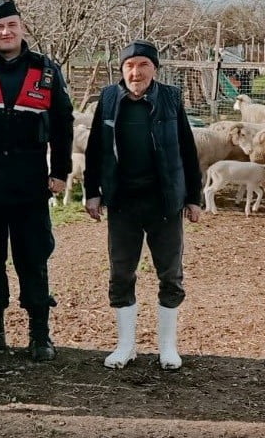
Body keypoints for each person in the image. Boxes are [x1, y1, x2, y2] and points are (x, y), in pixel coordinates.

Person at [0, 0, 73, 362]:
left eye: (11, 25)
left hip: (29, 185)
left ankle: (40, 333)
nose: (5, 32)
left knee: (33, 257)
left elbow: (63, 124)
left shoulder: (46, 71)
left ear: (22, 28)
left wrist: (60, 172)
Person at [83, 39, 202, 371]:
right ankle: (125, 345)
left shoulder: (170, 98)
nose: (136, 72)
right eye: (129, 66)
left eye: (143, 65)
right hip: (122, 201)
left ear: (155, 68)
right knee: (121, 273)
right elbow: (95, 148)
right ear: (122, 69)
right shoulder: (108, 98)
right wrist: (92, 191)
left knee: (170, 273)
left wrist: (194, 197)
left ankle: (167, 347)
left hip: (164, 201)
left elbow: (187, 150)